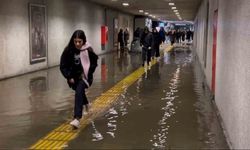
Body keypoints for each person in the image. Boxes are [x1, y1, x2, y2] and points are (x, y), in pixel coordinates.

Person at [60, 30, 98, 128]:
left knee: (79, 92)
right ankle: (87, 104)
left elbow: (94, 64)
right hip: (73, 78)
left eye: (79, 42)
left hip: (85, 77)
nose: (77, 44)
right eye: (75, 41)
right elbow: (63, 66)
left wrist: (87, 73)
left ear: (83, 41)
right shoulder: (68, 50)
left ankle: (77, 118)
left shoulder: (88, 50)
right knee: (79, 90)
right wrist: (69, 76)